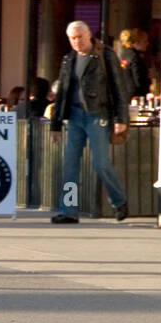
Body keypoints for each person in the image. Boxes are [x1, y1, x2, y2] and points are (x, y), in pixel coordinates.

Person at [50, 20, 129, 224]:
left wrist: (121, 119)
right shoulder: (69, 59)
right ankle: (69, 210)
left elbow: (118, 87)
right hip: (75, 115)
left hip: (98, 113)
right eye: (72, 38)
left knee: (100, 162)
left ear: (89, 36)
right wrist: (56, 124)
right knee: (70, 164)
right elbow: (62, 94)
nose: (76, 42)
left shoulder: (104, 55)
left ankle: (119, 202)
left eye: (80, 37)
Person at [117, 28, 151, 99]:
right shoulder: (135, 57)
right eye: (144, 41)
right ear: (136, 42)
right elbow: (138, 78)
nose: (147, 44)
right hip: (136, 95)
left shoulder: (123, 54)